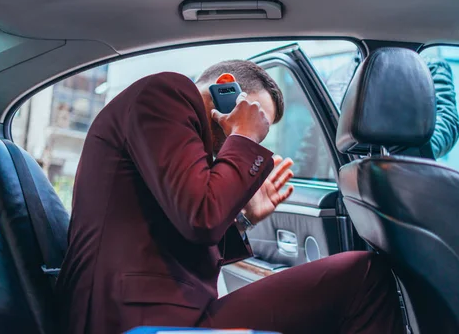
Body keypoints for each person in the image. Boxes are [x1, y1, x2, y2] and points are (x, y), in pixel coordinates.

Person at [56, 60, 403, 334]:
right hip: (137, 320)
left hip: (167, 313)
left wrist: (243, 218)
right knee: (363, 275)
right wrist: (245, 138)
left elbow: (184, 230)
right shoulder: (166, 92)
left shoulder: (182, 147)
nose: (251, 130)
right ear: (225, 89)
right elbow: (201, 220)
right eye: (253, 117)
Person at [294, 56, 459, 177]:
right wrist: (296, 177)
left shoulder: (426, 66)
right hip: (339, 184)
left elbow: (447, 122)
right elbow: (314, 135)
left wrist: (405, 152)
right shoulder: (338, 75)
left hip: (396, 183)